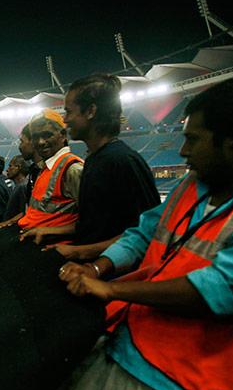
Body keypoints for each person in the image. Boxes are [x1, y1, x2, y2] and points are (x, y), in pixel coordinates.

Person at [37, 76, 233, 390]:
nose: (182, 152)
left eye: (192, 139)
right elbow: (141, 233)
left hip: (185, 388)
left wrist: (110, 289)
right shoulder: (193, 184)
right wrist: (96, 267)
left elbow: (225, 289)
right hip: (123, 347)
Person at [29, 73, 160, 260]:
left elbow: (147, 232)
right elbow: (92, 224)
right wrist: (49, 231)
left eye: (70, 112)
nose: (65, 120)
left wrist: (79, 252)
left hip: (113, 278)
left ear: (90, 111)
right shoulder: (94, 160)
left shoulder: (122, 161)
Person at [16, 109, 84, 243]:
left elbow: (96, 221)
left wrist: (48, 230)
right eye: (36, 137)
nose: (41, 142)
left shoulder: (72, 169)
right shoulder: (48, 167)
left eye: (47, 135)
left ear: (62, 135)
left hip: (55, 248)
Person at [0, 155, 31, 234]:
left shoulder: (23, 186)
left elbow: (25, 213)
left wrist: (5, 223)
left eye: (10, 166)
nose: (7, 170)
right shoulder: (18, 186)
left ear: (18, 167)